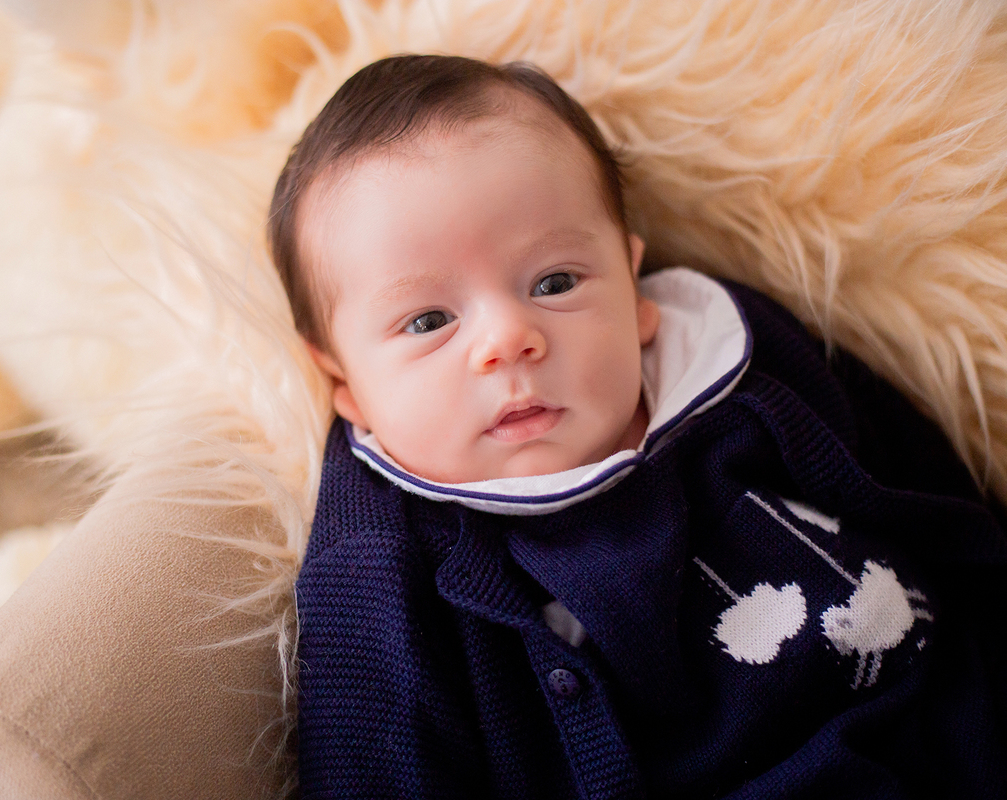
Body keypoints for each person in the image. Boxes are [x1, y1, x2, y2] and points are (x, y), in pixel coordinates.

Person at [268, 54, 1007, 798]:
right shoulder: (380, 563)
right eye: (428, 320)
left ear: (633, 285)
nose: (507, 339)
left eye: (554, 282)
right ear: (346, 386)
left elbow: (912, 477)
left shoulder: (735, 357)